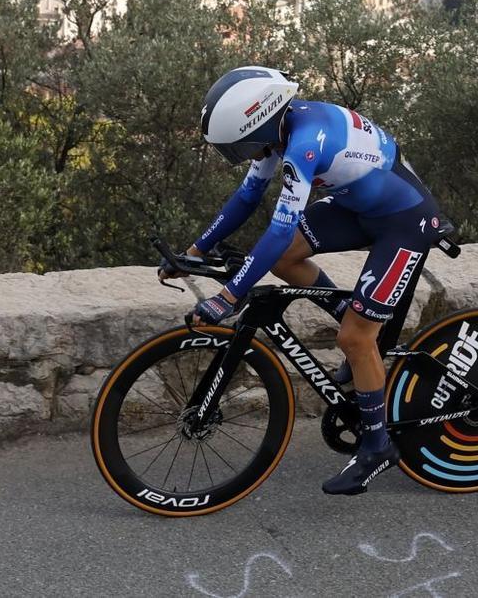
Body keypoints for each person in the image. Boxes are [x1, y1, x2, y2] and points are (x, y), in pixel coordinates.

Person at [159, 66, 444, 496]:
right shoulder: (280, 131)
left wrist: (229, 295)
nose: (243, 154)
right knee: (288, 257)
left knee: (354, 339)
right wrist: (196, 251)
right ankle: (353, 314)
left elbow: (275, 230)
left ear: (259, 123)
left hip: (404, 222)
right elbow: (246, 198)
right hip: (359, 206)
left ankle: (376, 447)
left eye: (241, 145)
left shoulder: (305, 143)